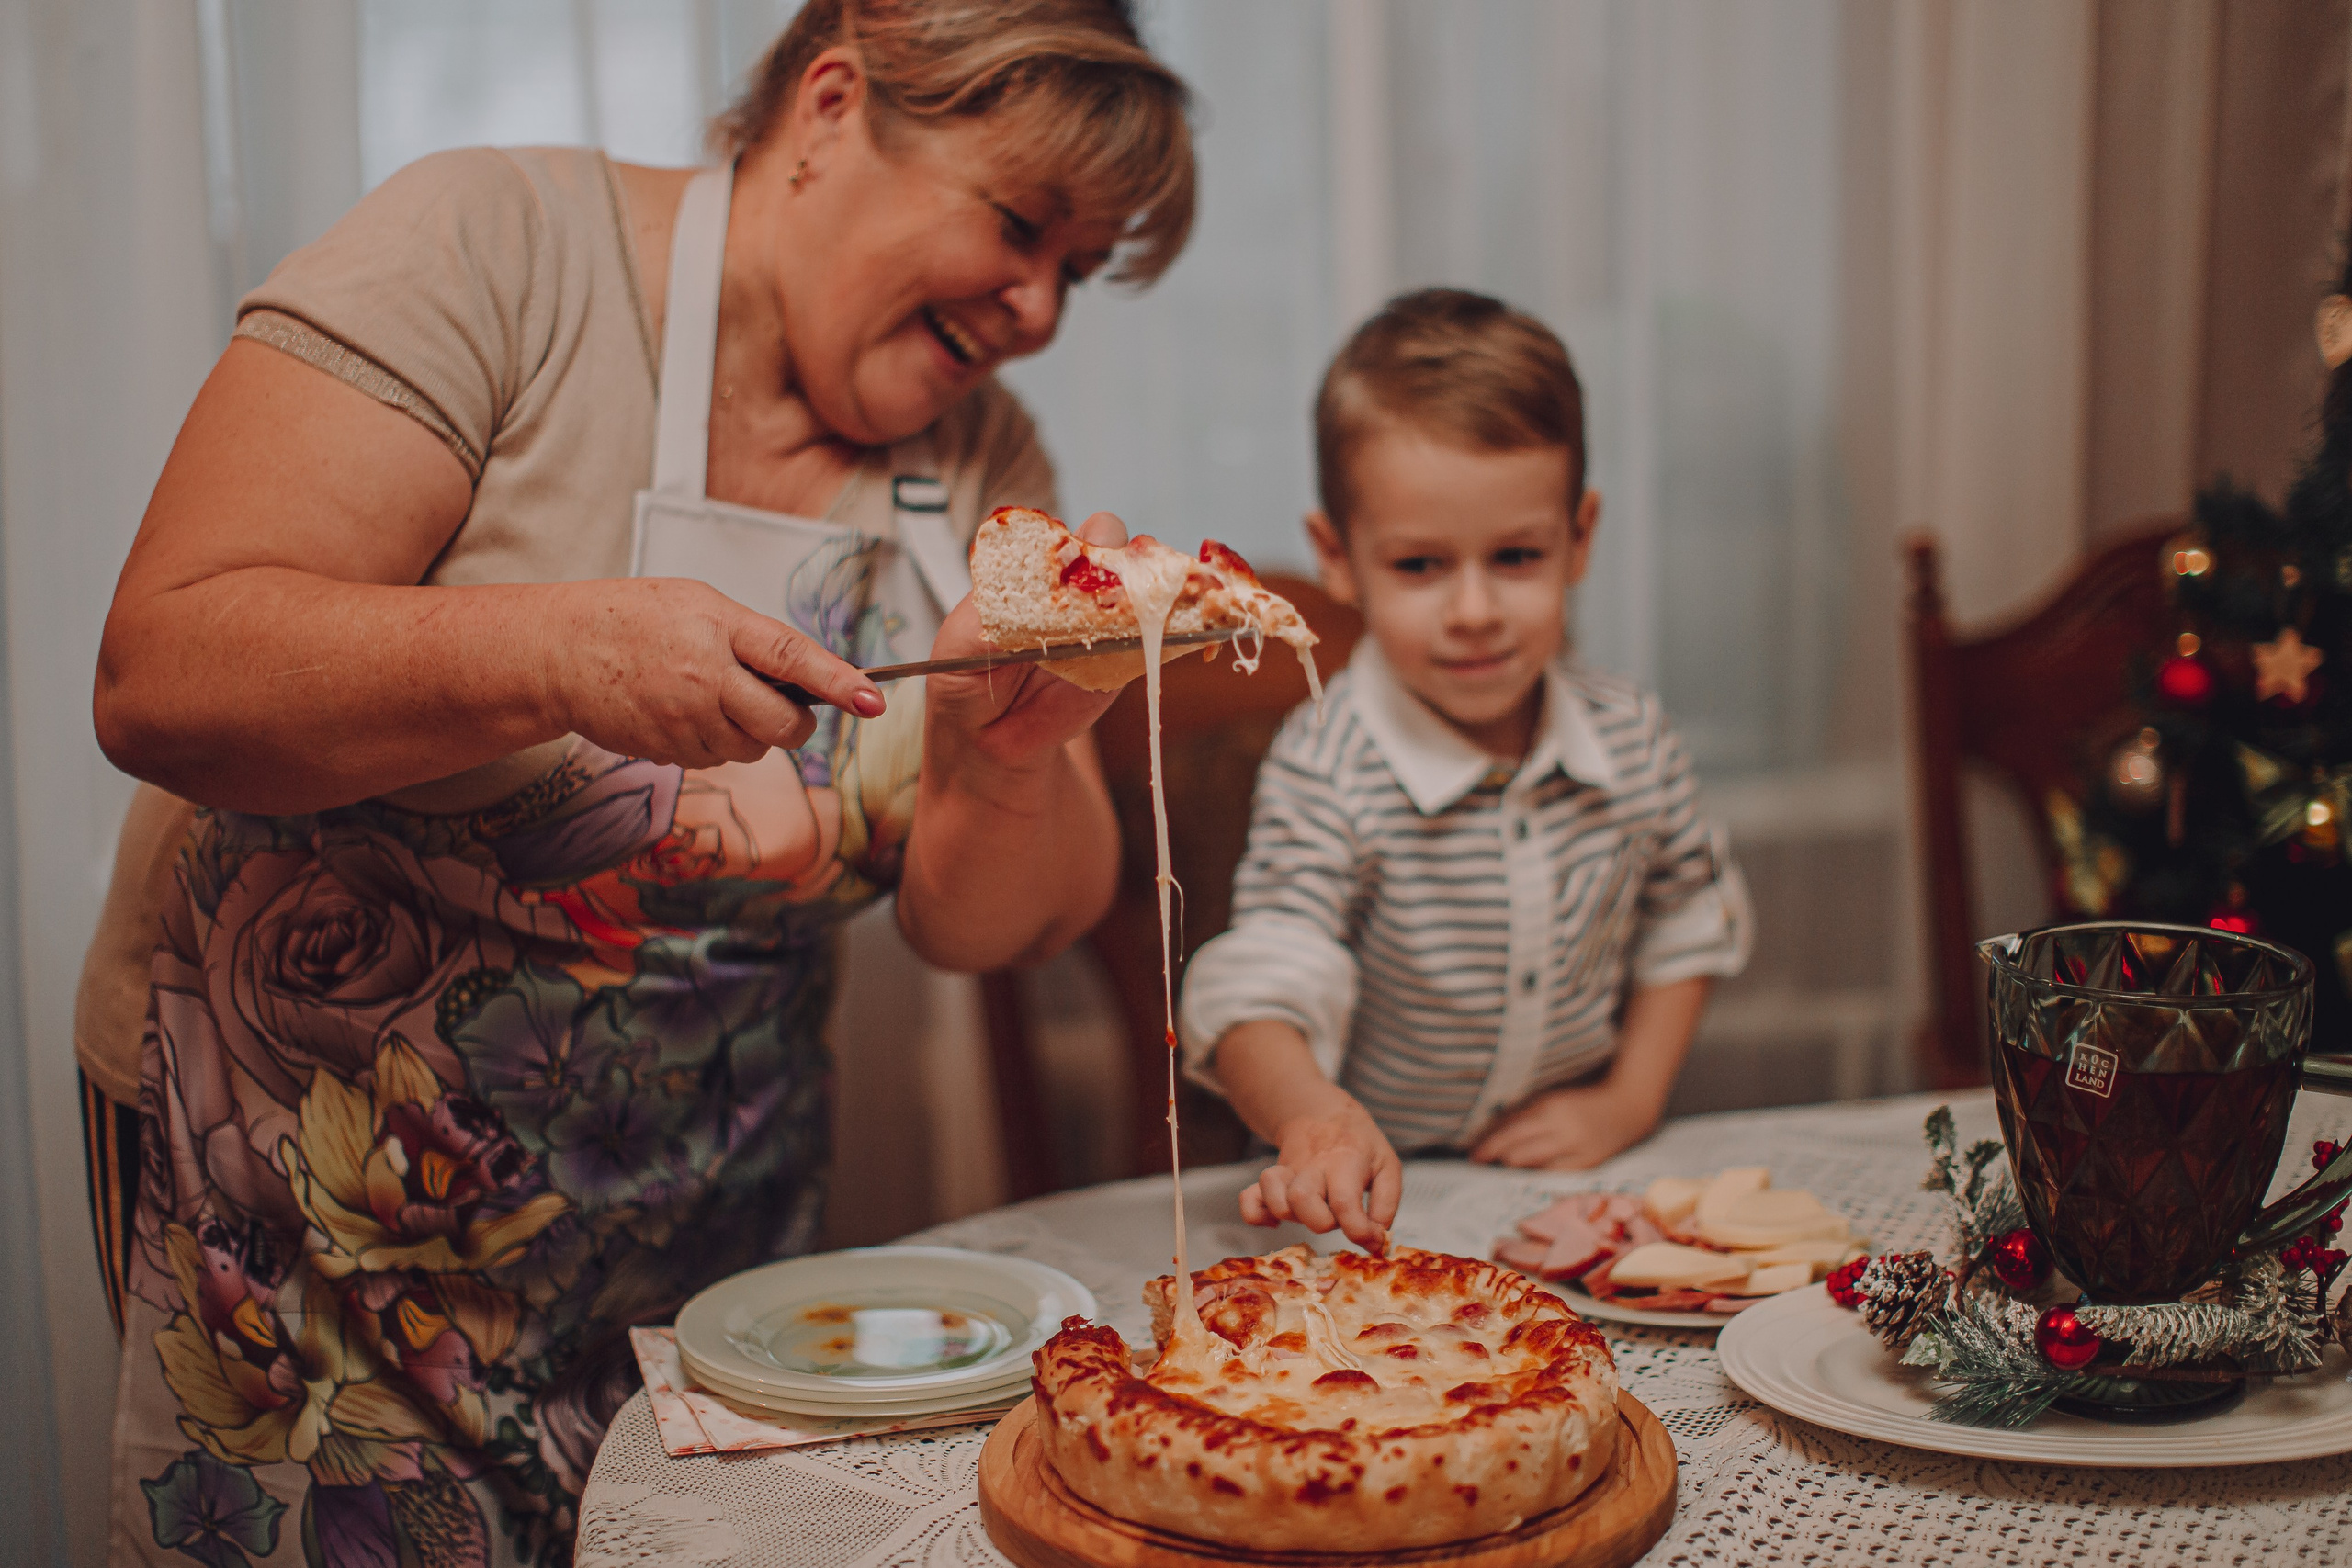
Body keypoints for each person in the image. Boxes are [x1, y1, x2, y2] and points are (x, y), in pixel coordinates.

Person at [85, 2, 1194, 1561]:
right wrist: (562, 652)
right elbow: (164, 669)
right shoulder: (499, 246)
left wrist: (1010, 763)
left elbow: (992, 920)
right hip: (317, 1228)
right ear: (827, 108)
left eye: (1080, 269)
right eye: (1021, 226)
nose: (1040, 309)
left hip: (716, 1266)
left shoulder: (982, 455)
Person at [1177, 289, 1752, 1250]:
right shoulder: (1328, 765)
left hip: (1565, 1192)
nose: (1475, 609)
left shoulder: (1630, 737)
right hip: (1370, 1207)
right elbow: (1261, 986)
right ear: (1340, 559)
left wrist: (1628, 1100)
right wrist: (1314, 1121)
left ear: (1580, 537)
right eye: (1419, 566)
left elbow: (1689, 919)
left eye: (1517, 555)